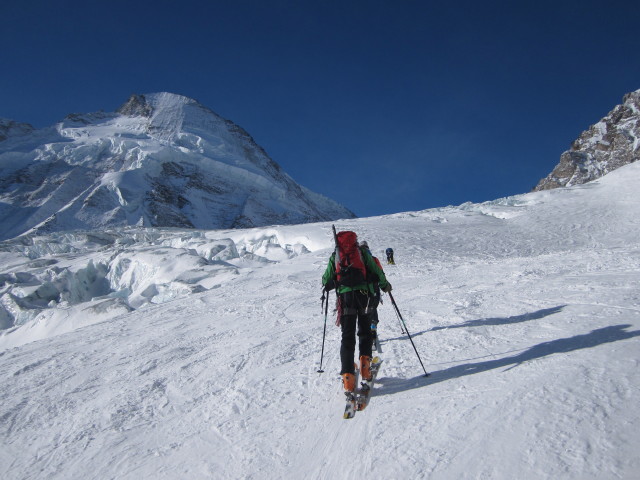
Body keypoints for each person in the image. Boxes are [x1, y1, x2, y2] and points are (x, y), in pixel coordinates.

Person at [322, 232, 391, 393]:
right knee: (365, 332)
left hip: (345, 298)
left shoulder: (336, 256)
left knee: (347, 336)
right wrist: (384, 285)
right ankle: (366, 368)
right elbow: (376, 270)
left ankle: (348, 377)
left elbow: (325, 280)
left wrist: (334, 282)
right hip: (364, 296)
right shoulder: (361, 253)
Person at [360, 241, 383, 350]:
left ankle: (364, 333)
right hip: (374, 288)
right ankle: (373, 327)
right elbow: (380, 272)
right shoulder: (374, 259)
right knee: (373, 307)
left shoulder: (357, 260)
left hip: (361, 290)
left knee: (363, 310)